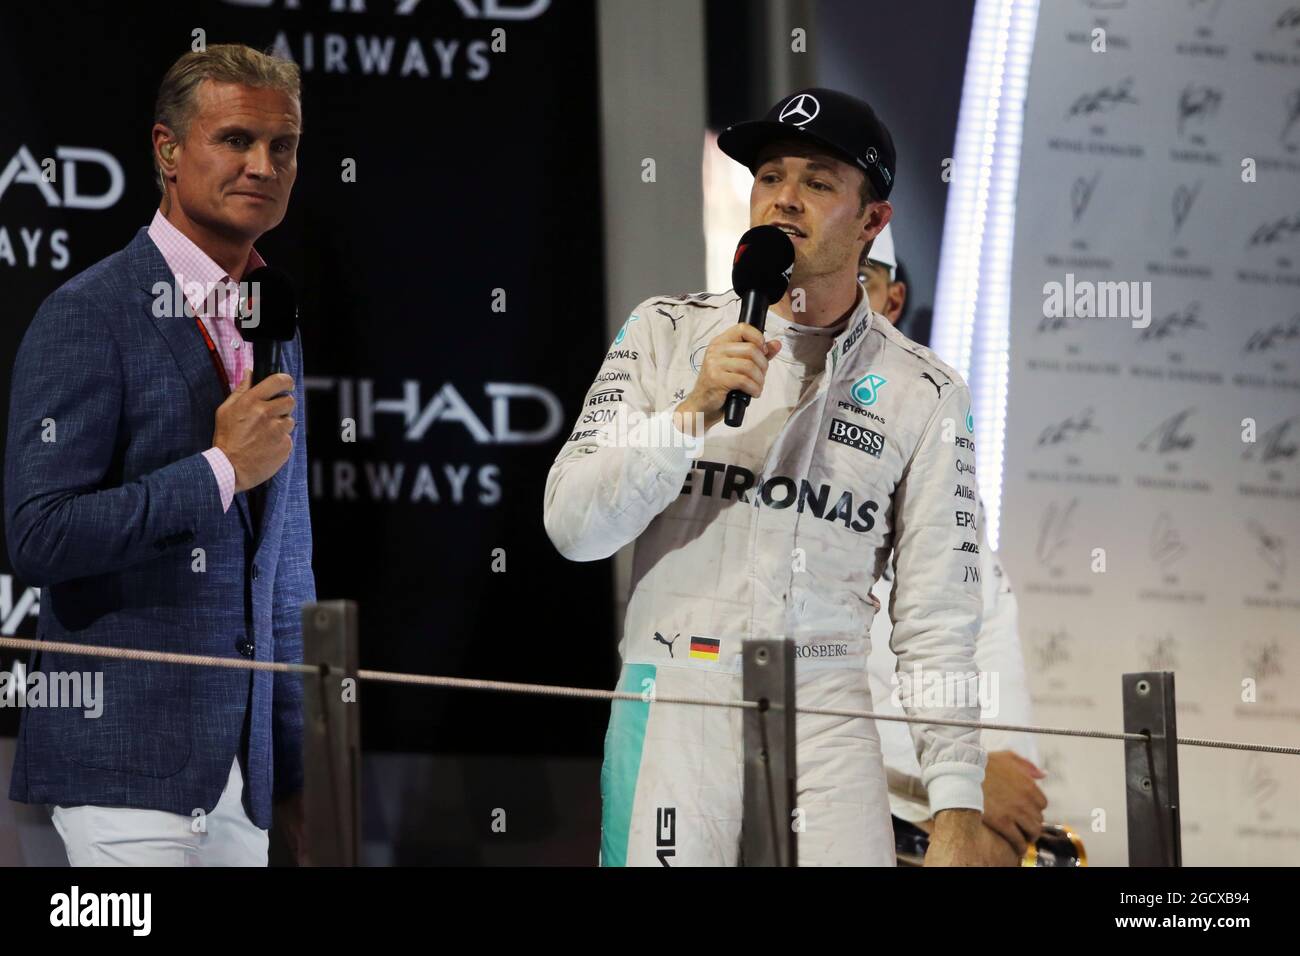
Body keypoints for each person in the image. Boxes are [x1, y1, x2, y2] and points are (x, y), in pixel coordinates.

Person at [545, 88, 988, 865]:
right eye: (770, 176)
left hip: (829, 705)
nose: (784, 198)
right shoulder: (665, 330)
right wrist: (689, 413)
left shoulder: (927, 390)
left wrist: (956, 800)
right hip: (676, 688)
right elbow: (573, 528)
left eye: (818, 182)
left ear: (872, 221)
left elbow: (938, 614)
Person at [4, 44, 314, 866]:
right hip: (123, 771)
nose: (263, 165)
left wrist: (293, 767)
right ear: (168, 151)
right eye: (236, 140)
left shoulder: (274, 320)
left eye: (281, 146)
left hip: (243, 783)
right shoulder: (88, 313)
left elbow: (282, 566)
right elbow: (39, 535)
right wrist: (218, 470)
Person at [859, 226, 1047, 865]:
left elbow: (983, 620)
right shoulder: (776, 425)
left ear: (893, 298)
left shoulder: (937, 414)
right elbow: (802, 667)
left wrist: (1002, 768)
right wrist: (966, 776)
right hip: (850, 789)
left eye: (865, 280)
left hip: (941, 790)